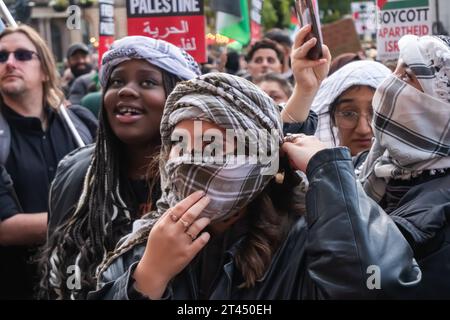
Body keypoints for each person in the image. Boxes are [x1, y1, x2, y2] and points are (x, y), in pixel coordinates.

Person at [89, 71, 420, 300]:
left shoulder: (307, 239)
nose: (190, 160)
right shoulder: (148, 240)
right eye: (180, 145)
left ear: (258, 157)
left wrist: (330, 174)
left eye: (211, 147)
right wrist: (147, 279)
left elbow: (378, 287)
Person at [36, 36, 202, 300]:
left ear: (180, 99)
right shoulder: (74, 174)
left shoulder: (205, 181)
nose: (126, 90)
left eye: (147, 82)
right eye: (116, 82)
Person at [0, 25, 97, 299]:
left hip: (88, 284)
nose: (9, 63)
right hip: (19, 286)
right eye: (1, 57)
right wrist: (91, 216)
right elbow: (5, 228)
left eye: (21, 55)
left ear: (44, 69)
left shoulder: (81, 122)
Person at [357, 34, 450, 298]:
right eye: (394, 70)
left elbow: (367, 273)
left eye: (407, 77)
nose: (390, 84)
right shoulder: (375, 165)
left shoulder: (440, 211)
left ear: (440, 106)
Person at [311, 60, 390, 155]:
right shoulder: (313, 169)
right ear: (333, 118)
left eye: (376, 113)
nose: (363, 129)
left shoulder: (410, 168)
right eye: (348, 114)